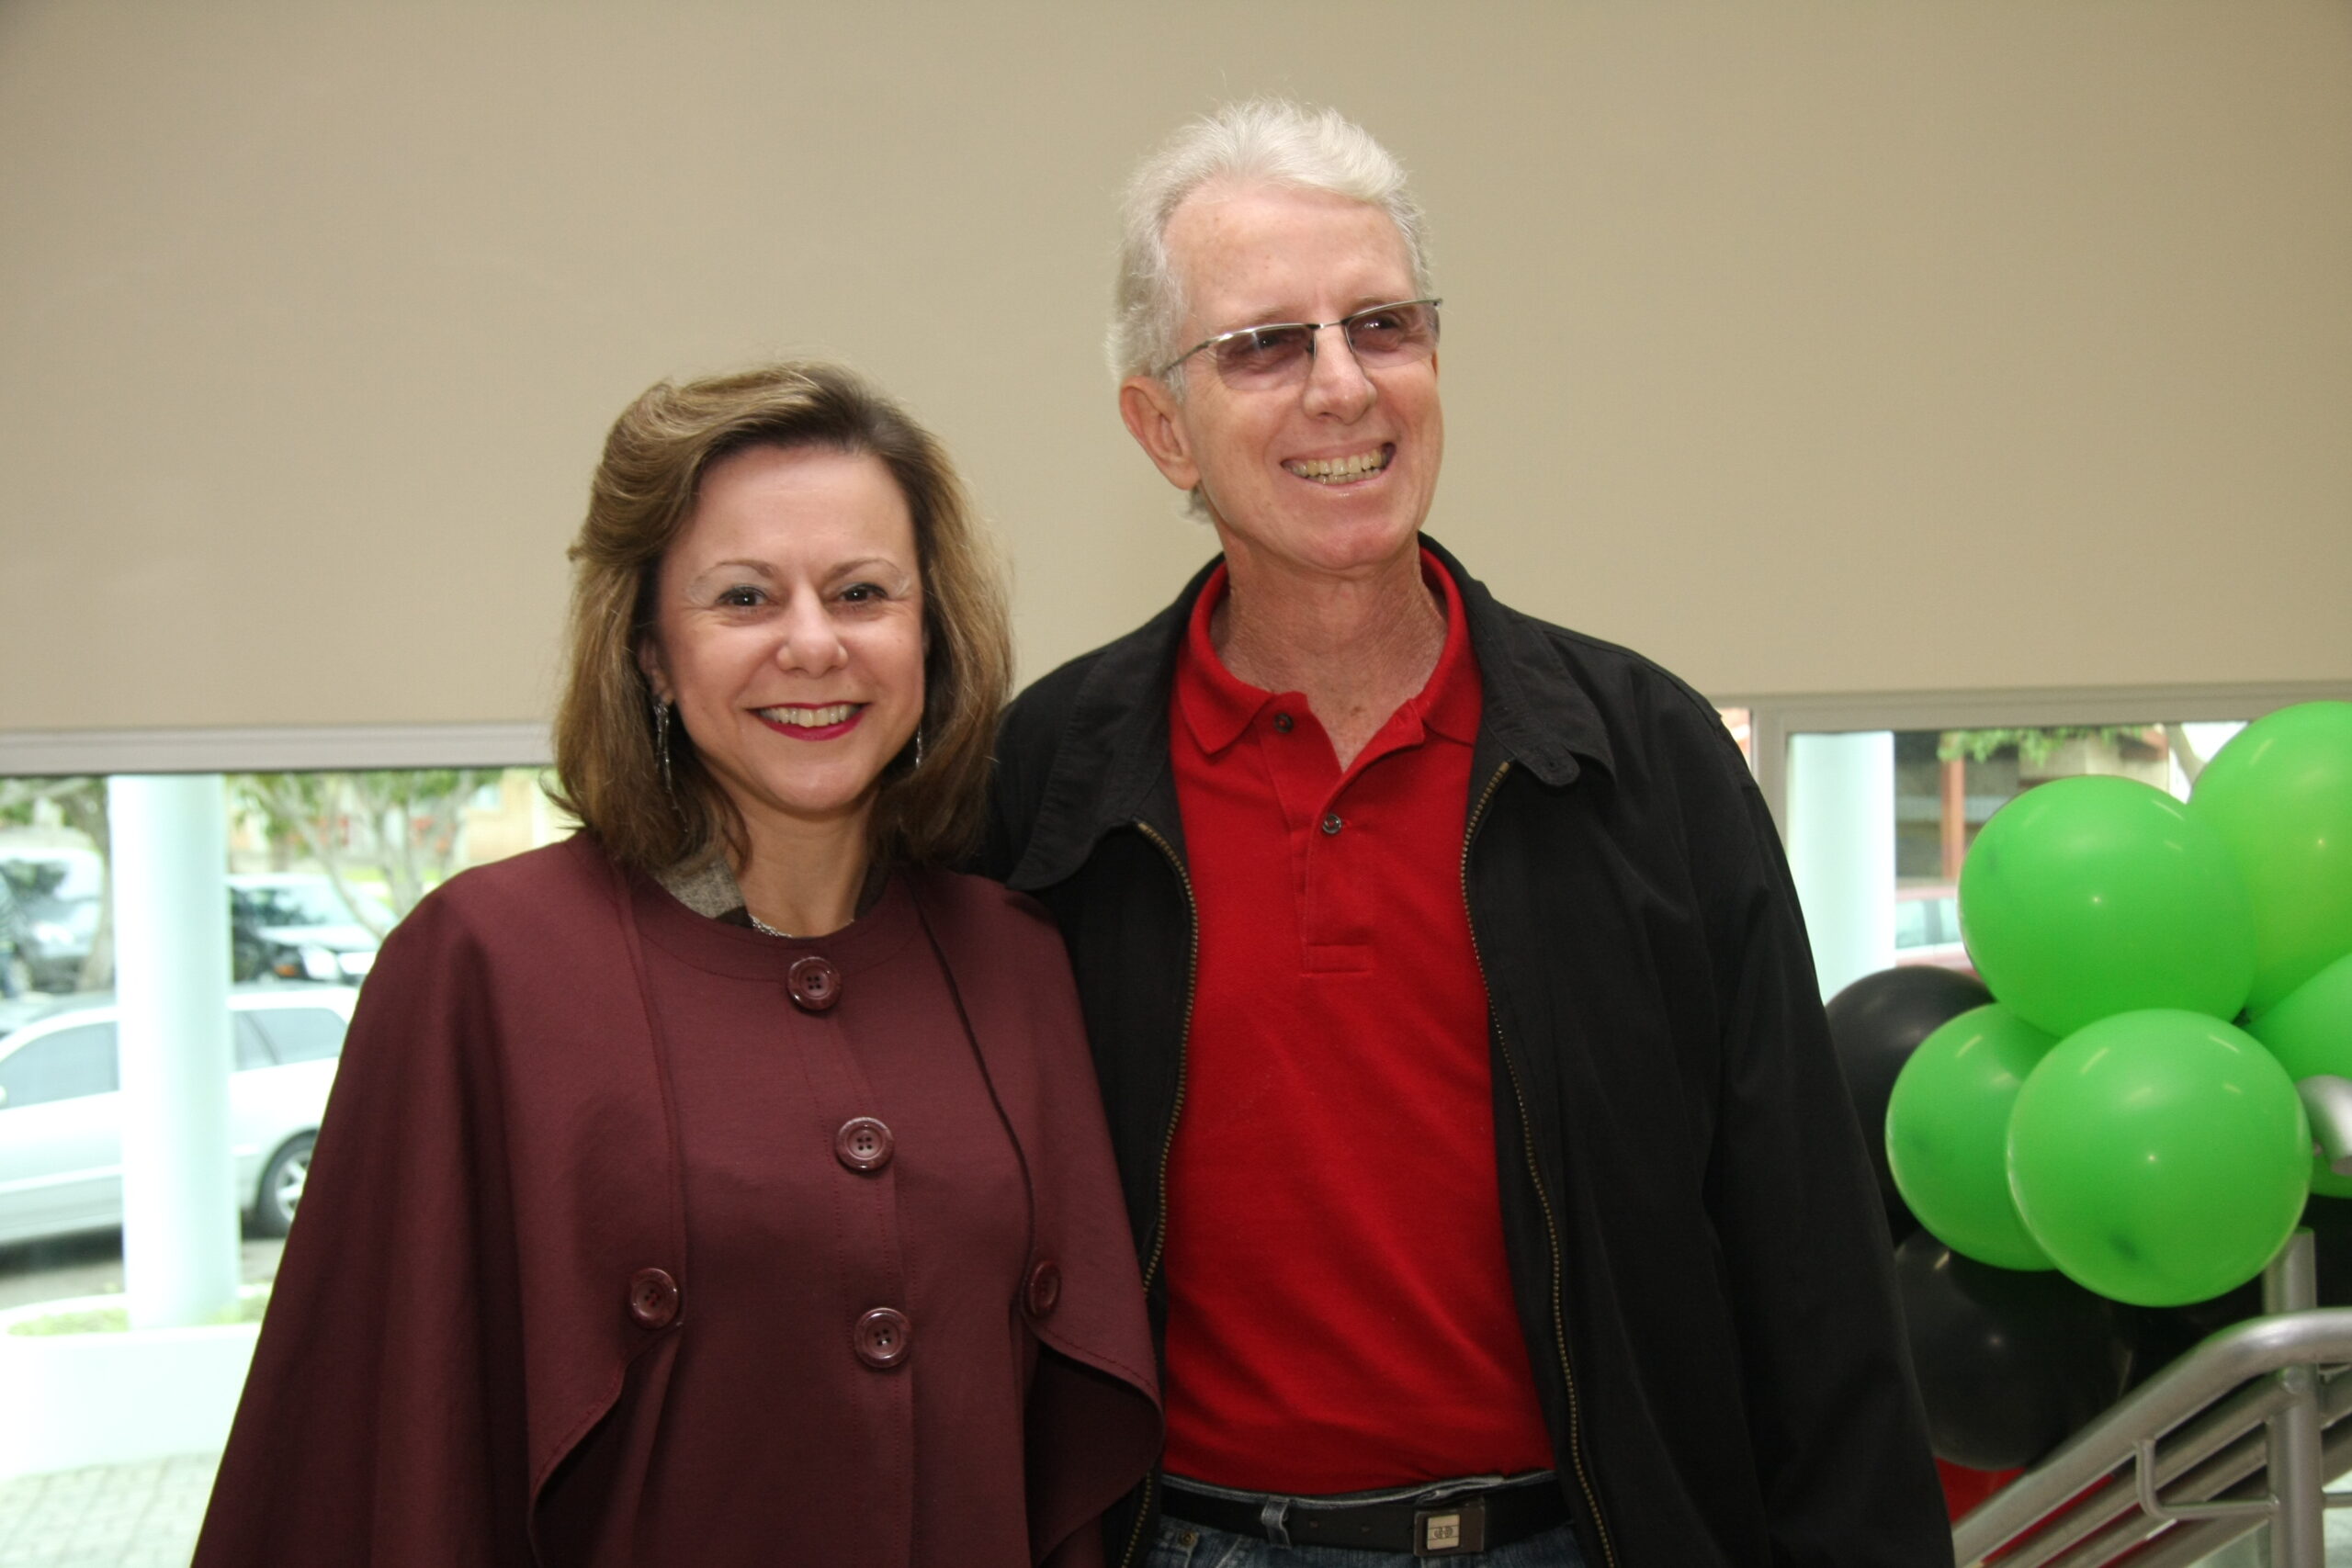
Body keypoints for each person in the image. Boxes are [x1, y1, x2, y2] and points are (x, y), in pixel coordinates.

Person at [977, 102, 1947, 1568]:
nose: (1343, 386)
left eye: (1384, 326)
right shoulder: (1048, 780)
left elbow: (1807, 1258)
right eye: (1266, 345)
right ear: (1162, 424)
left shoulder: (1646, 758)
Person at [196, 362, 1160, 1568]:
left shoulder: (1012, 959)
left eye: (862, 593)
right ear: (651, 651)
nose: (813, 644)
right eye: (744, 598)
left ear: (930, 633)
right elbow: (379, 1443)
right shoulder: (480, 968)